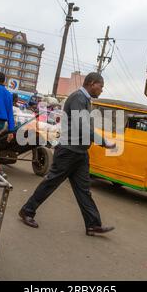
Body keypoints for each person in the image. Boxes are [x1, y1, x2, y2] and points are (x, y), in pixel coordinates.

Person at [19, 72, 117, 237]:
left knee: (83, 190)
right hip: (69, 151)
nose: (102, 90)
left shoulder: (85, 100)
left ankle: (93, 225)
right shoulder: (78, 98)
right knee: (51, 182)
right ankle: (27, 211)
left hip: (79, 153)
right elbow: (82, 126)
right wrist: (103, 141)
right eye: (101, 86)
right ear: (92, 83)